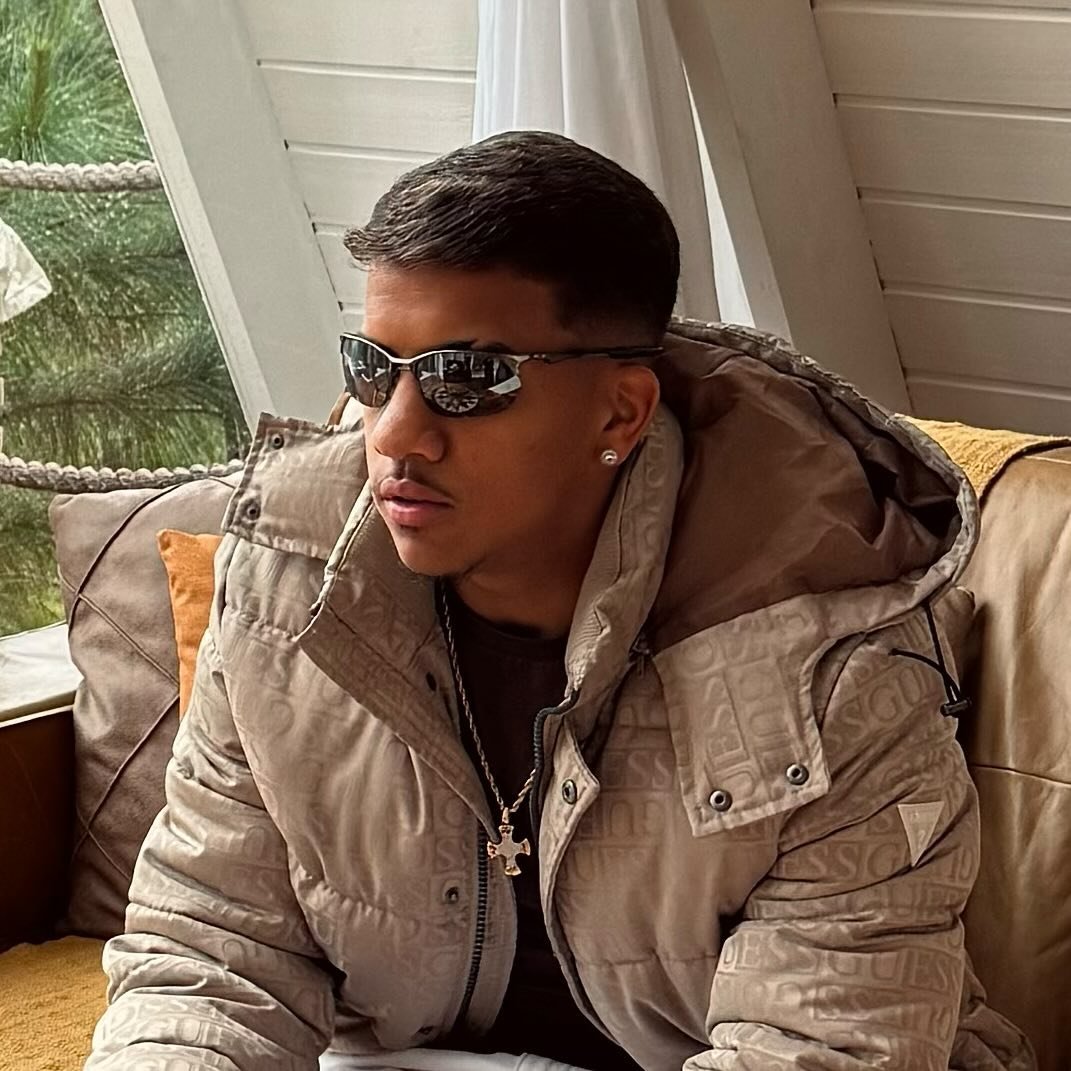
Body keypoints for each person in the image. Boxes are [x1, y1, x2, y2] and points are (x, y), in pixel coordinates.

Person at [85, 131, 1034, 1071]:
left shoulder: (834, 656)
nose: (396, 434)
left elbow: (823, 1045)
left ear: (619, 411)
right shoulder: (283, 590)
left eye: (466, 379)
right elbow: (212, 950)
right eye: (373, 369)